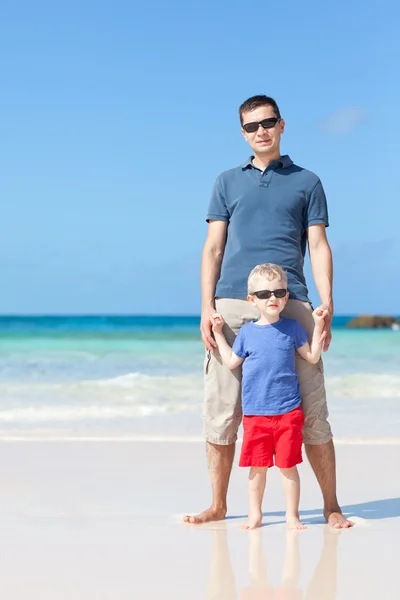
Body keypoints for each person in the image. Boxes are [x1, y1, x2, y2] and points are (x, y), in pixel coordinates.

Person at [184, 94, 353, 529]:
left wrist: (326, 300)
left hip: (291, 300)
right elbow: (213, 247)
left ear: (281, 125)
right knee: (223, 411)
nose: (260, 131)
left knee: (312, 409)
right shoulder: (226, 182)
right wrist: (206, 306)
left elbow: (317, 245)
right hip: (232, 307)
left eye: (268, 122)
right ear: (242, 132)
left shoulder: (307, 181)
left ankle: (331, 505)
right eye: (251, 126)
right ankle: (219, 504)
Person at [211, 263, 326, 530]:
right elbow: (230, 362)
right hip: (255, 416)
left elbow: (312, 357)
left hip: (288, 413)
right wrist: (218, 332)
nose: (271, 298)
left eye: (278, 292)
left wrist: (318, 325)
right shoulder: (247, 333)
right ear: (252, 300)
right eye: (263, 294)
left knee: (288, 467)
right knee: (257, 470)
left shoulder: (293, 328)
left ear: (286, 297)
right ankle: (255, 515)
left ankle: (292, 516)